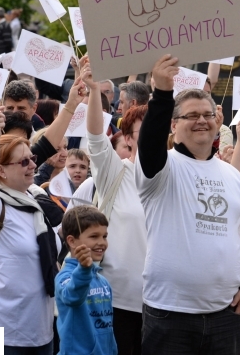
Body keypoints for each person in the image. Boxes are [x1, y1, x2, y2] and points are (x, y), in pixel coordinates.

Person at [136, 55, 240, 355]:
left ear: (218, 123)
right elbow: (150, 143)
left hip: (224, 315)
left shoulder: (233, 176)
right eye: (191, 115)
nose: (201, 120)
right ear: (173, 125)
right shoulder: (161, 169)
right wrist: (163, 93)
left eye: (207, 114)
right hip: (170, 314)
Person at [73, 56, 147, 355]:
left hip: (165, 306)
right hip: (115, 302)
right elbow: (95, 139)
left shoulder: (175, 178)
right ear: (128, 139)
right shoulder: (116, 172)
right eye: (145, 132)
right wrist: (93, 91)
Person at [0, 107, 60, 355]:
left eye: (32, 158)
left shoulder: (35, 203)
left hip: (42, 332)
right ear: (1, 171)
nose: (33, 164)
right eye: (24, 161)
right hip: (4, 333)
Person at [56, 206, 117, 355]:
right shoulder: (65, 277)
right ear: (71, 241)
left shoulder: (102, 281)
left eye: (104, 236)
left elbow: (107, 327)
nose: (102, 242)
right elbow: (72, 297)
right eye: (94, 236)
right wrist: (83, 270)